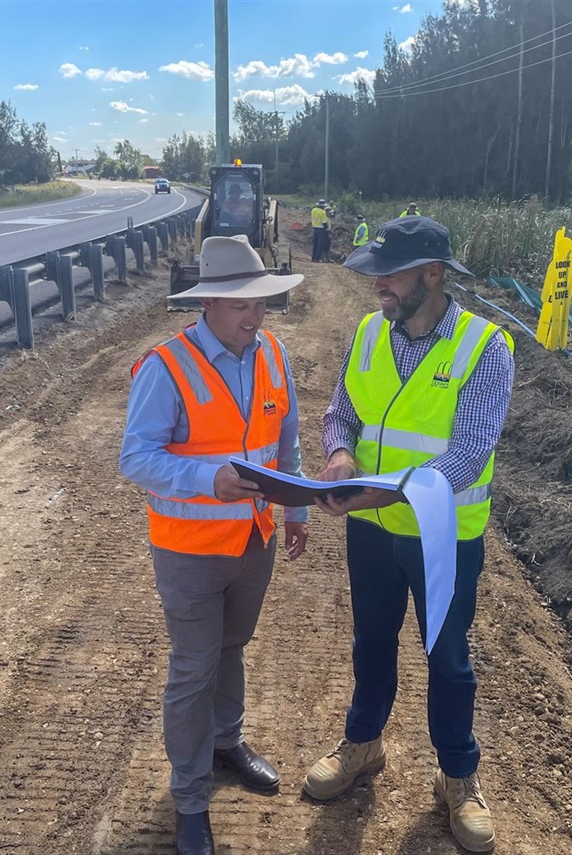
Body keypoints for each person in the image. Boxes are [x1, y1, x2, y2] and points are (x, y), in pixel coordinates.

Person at [302, 215, 515, 853]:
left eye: (388, 276)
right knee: (371, 642)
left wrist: (377, 489)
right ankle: (363, 744)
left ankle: (458, 777)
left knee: (447, 660)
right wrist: (340, 455)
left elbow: (468, 455)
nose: (377, 289)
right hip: (370, 529)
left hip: (442, 536)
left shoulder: (485, 348)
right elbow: (344, 409)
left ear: (433, 274)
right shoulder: (371, 333)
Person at [120, 235, 308, 855]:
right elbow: (136, 458)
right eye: (239, 306)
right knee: (194, 668)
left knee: (233, 646)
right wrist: (209, 478)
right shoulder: (166, 368)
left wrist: (298, 508)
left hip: (255, 541)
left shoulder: (272, 355)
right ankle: (190, 799)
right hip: (189, 548)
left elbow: (286, 443)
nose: (253, 317)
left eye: (259, 304)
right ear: (206, 305)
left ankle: (227, 742)